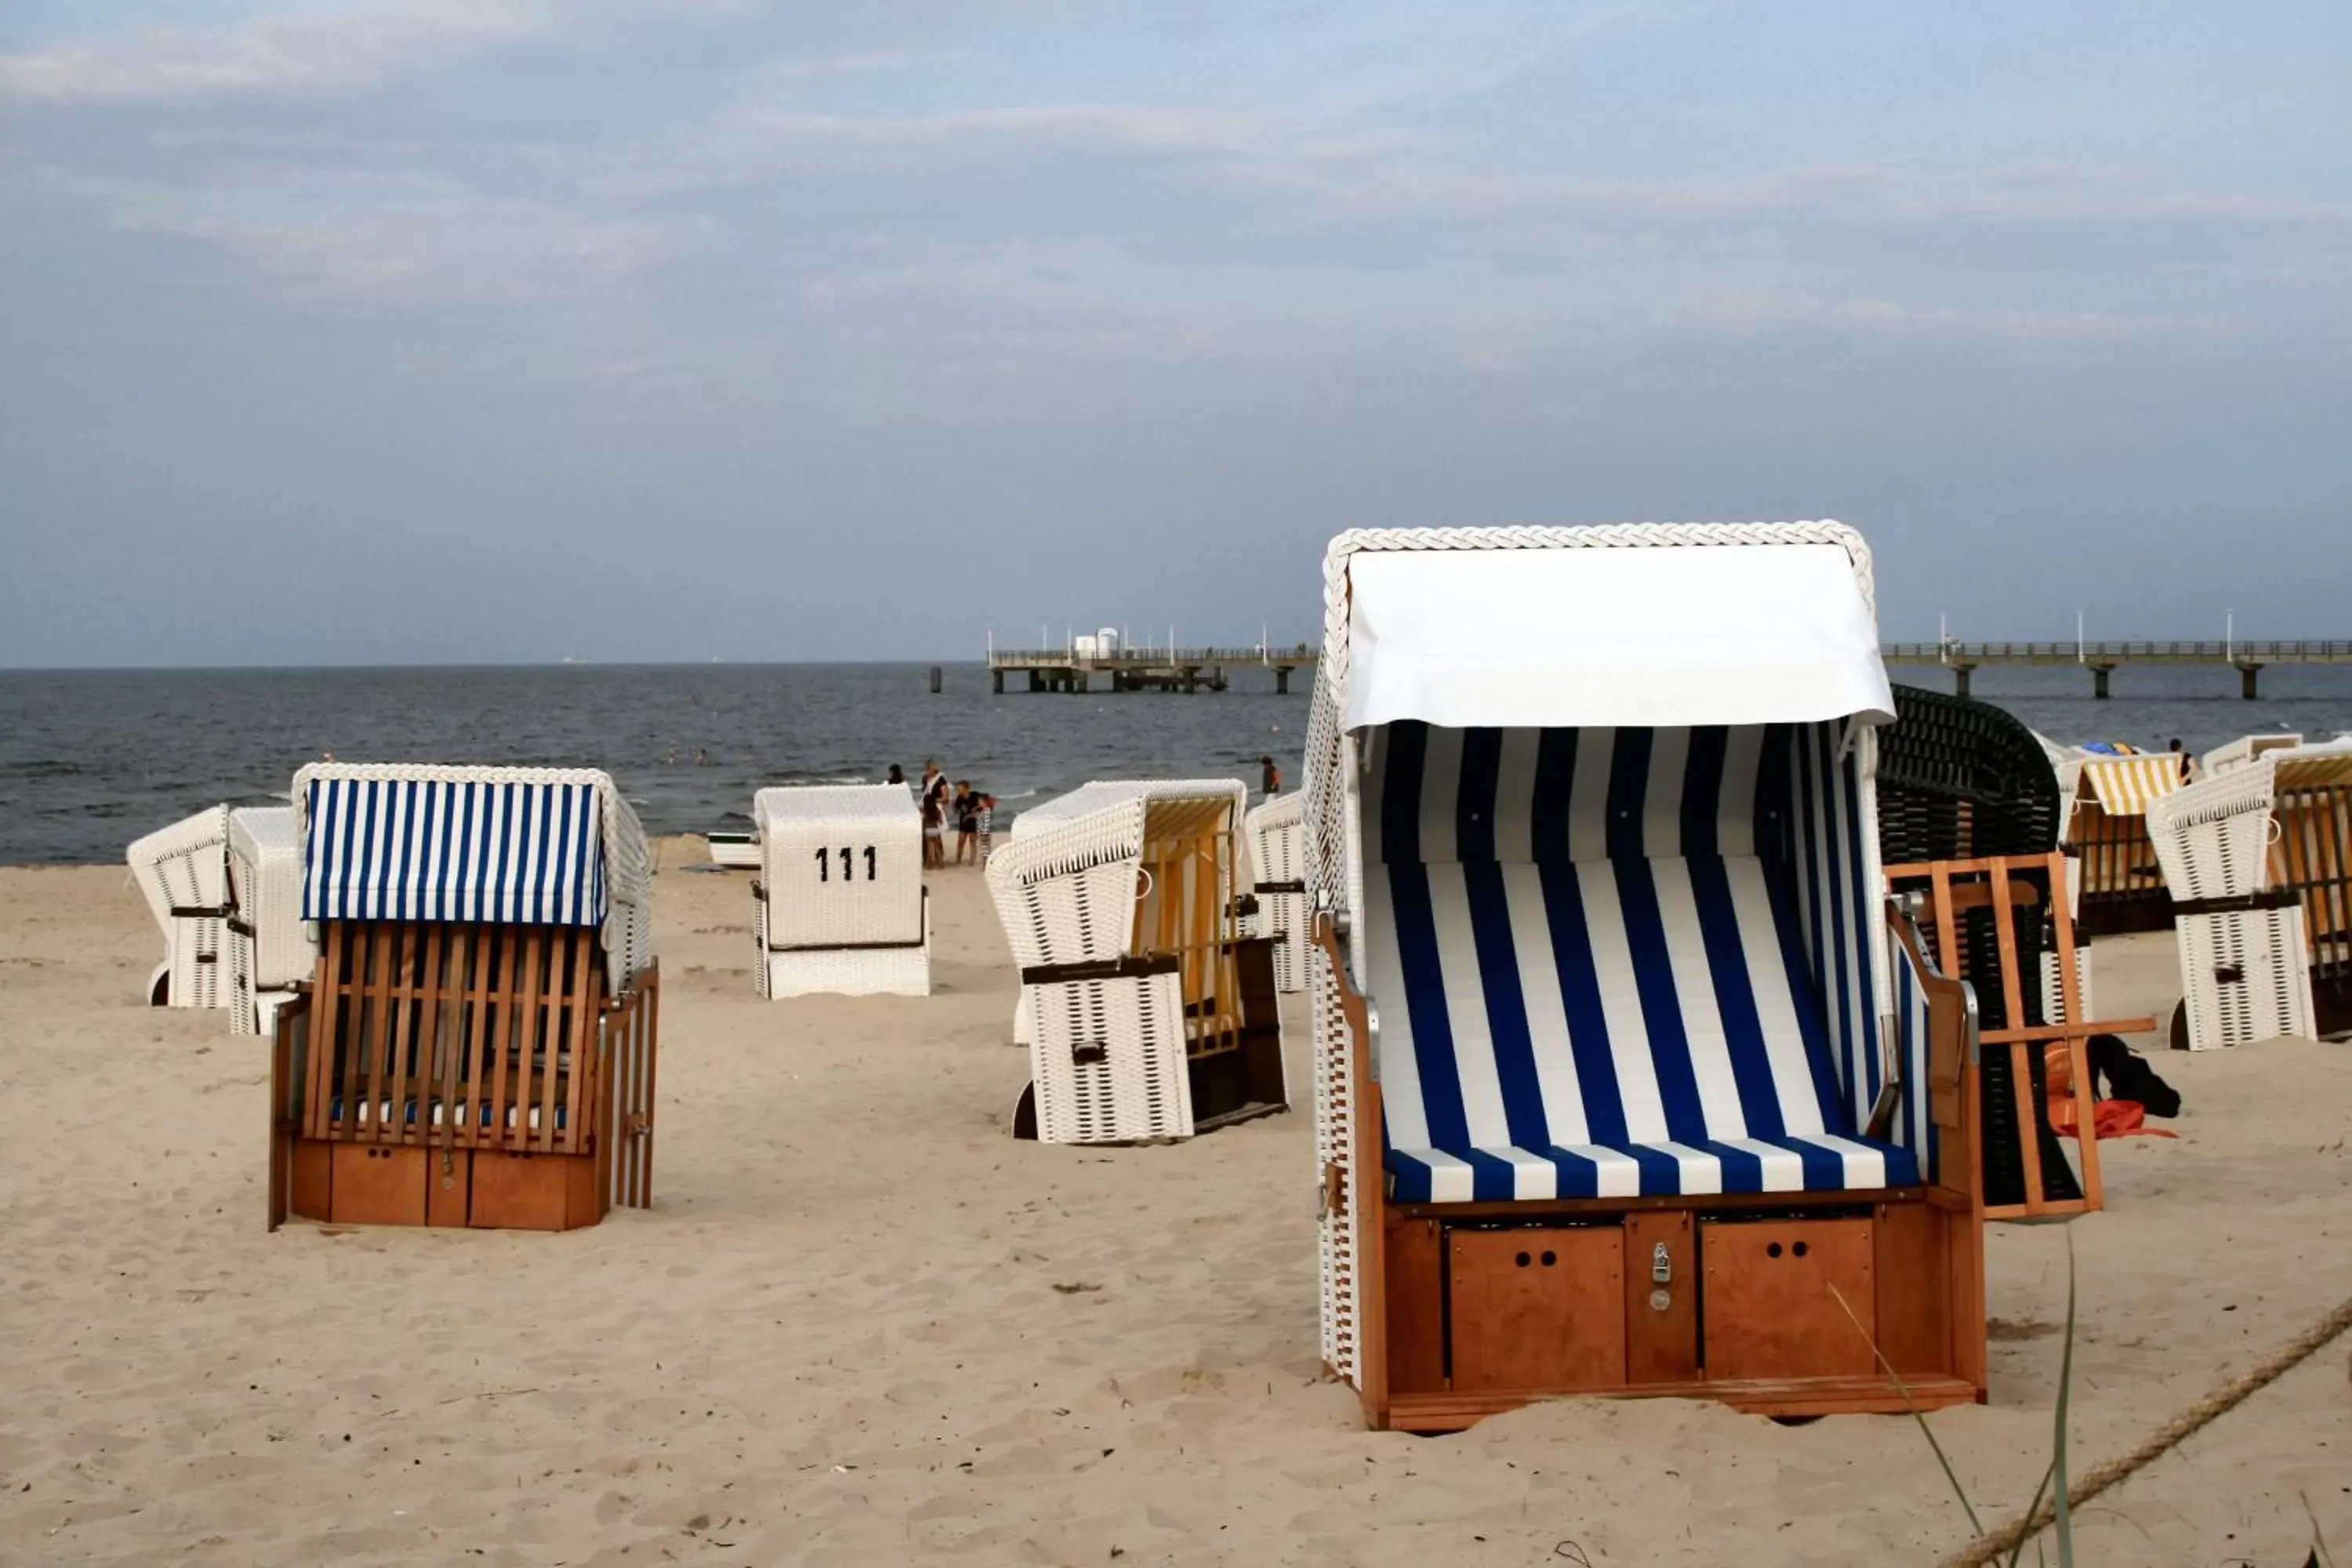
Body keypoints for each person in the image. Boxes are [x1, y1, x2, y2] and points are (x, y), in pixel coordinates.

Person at [954, 781, 980, 864]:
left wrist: (974, 812)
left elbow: (983, 805)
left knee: (973, 841)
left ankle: (972, 861)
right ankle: (958, 860)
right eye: (958, 789)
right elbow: (956, 811)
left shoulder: (975, 796)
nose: (958, 790)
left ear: (966, 788)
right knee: (961, 841)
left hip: (973, 821)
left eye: (960, 789)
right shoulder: (959, 798)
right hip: (963, 822)